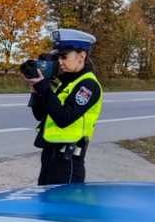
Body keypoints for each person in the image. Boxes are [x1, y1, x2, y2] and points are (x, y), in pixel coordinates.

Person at [23, 29, 103, 185]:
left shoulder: (88, 85)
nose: (60, 61)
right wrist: (36, 90)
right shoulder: (65, 82)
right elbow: (40, 115)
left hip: (68, 161)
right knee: (46, 205)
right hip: (50, 155)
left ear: (82, 56)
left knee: (62, 207)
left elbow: (64, 118)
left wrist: (44, 88)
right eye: (58, 56)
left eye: (64, 56)